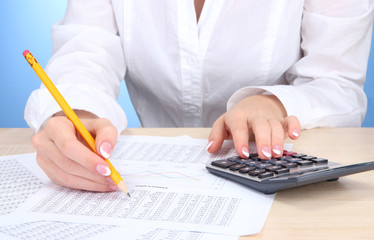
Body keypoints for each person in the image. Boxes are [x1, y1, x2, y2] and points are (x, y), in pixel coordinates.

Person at [25, 0, 374, 192]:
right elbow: (86, 49)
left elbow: (338, 83)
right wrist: (79, 111)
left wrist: (273, 102)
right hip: (151, 186)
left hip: (281, 189)